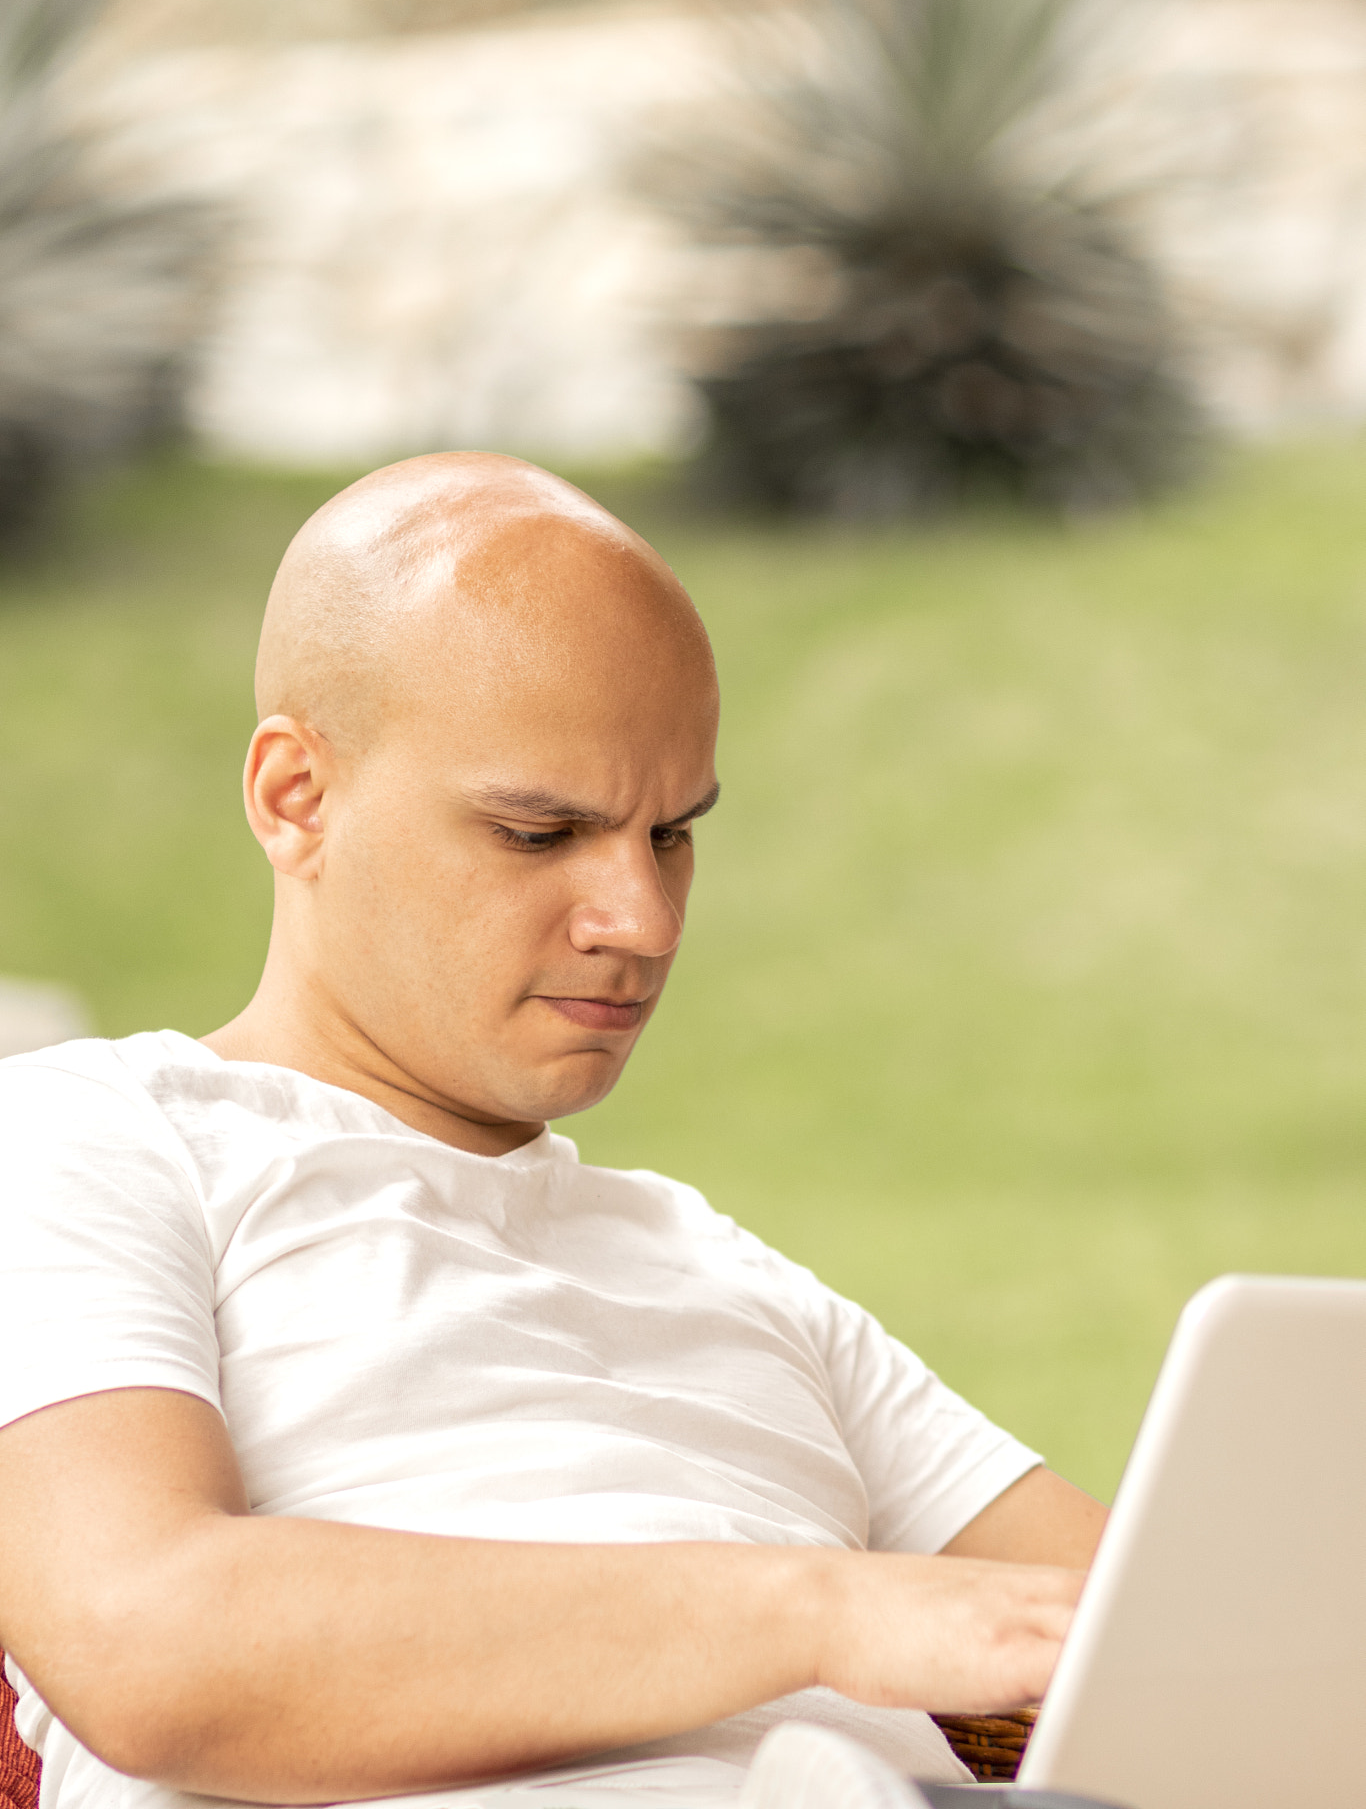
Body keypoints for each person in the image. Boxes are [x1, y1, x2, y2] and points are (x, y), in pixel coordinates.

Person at [0, 455, 1106, 1809]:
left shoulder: (727, 1275)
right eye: (539, 833)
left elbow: (1174, 1632)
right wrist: (817, 1613)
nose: (638, 923)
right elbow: (147, 1641)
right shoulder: (84, 1139)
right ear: (297, 798)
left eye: (673, 835)